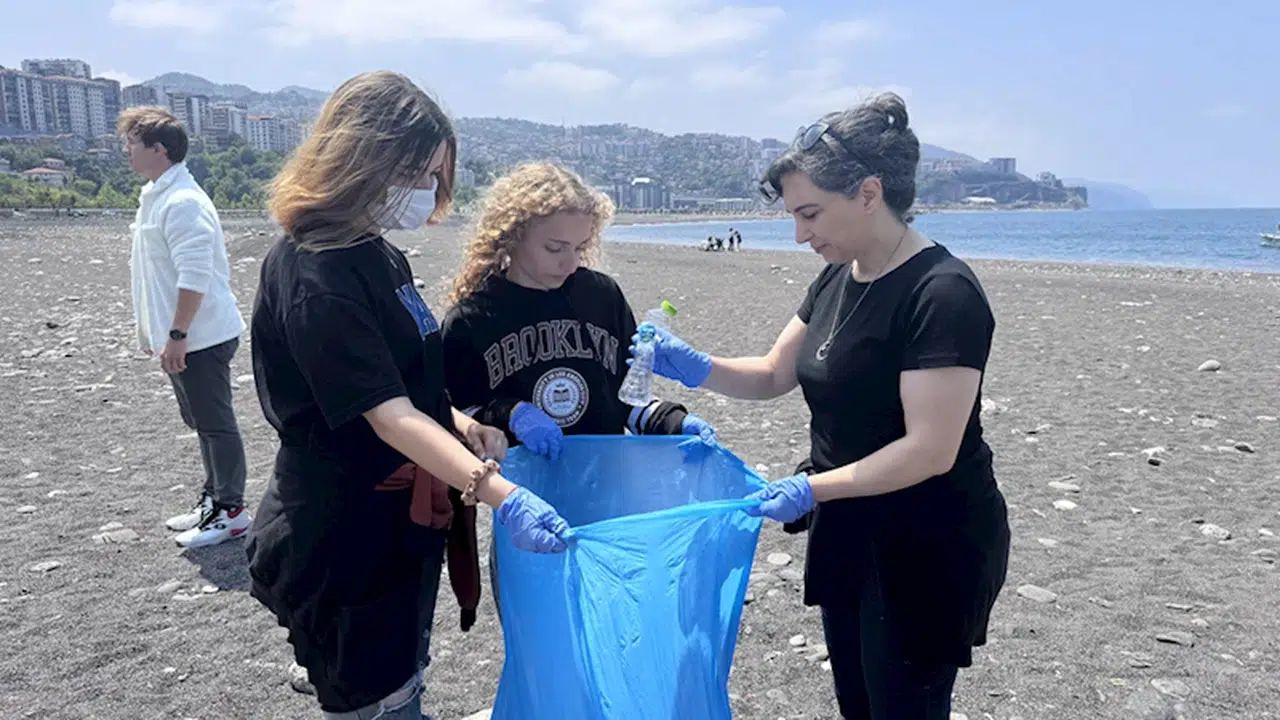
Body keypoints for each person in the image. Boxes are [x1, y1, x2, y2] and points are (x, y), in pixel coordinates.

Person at [633, 92, 1010, 720]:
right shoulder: (841, 272)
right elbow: (776, 372)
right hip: (847, 529)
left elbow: (930, 450)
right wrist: (694, 366)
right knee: (857, 705)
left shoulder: (942, 294)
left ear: (868, 193)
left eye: (811, 214)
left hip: (924, 545)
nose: (800, 233)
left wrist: (812, 490)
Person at [244, 71, 570, 720]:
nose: (424, 192)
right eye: (414, 174)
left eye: (433, 177)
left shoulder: (376, 253)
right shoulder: (317, 273)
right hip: (342, 537)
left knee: (402, 680)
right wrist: (498, 491)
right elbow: (387, 416)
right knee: (377, 699)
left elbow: (400, 382)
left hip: (399, 528)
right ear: (359, 161)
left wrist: (457, 422)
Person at [440, 160, 717, 614]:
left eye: (579, 247)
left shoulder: (601, 296)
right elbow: (455, 416)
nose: (570, 262)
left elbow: (627, 394)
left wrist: (672, 421)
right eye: (554, 248)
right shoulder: (473, 319)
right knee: (543, 629)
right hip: (527, 507)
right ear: (512, 235)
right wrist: (509, 414)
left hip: (611, 499)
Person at [119, 106, 250, 549]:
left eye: (132, 144)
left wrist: (177, 336)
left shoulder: (182, 202)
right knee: (201, 421)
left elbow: (193, 277)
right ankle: (214, 499)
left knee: (216, 423)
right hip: (186, 335)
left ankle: (231, 510)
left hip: (201, 335)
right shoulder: (157, 195)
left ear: (159, 149)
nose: (126, 152)